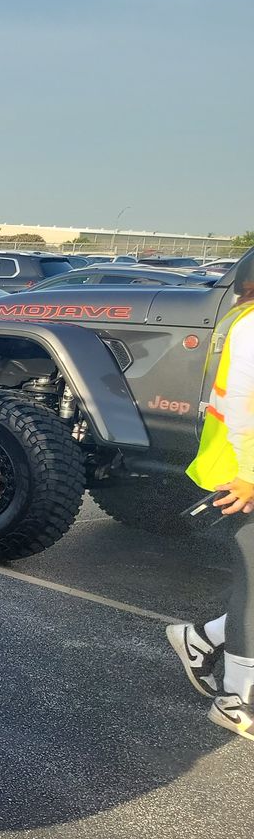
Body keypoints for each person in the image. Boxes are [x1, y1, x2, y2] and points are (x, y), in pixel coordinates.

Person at [166, 295, 254, 741]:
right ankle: (234, 698)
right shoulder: (251, 325)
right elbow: (241, 404)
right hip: (244, 477)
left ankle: (201, 638)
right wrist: (251, 475)